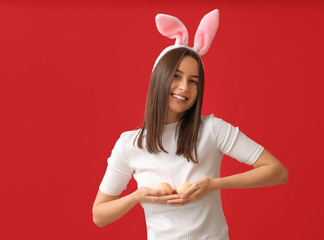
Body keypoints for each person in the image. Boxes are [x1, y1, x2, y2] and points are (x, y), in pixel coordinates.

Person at [92, 9, 288, 239]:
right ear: (159, 79)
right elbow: (99, 215)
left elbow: (278, 172)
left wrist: (214, 184)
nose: (184, 87)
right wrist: (137, 197)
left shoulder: (212, 130)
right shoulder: (130, 144)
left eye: (193, 81)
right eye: (176, 76)